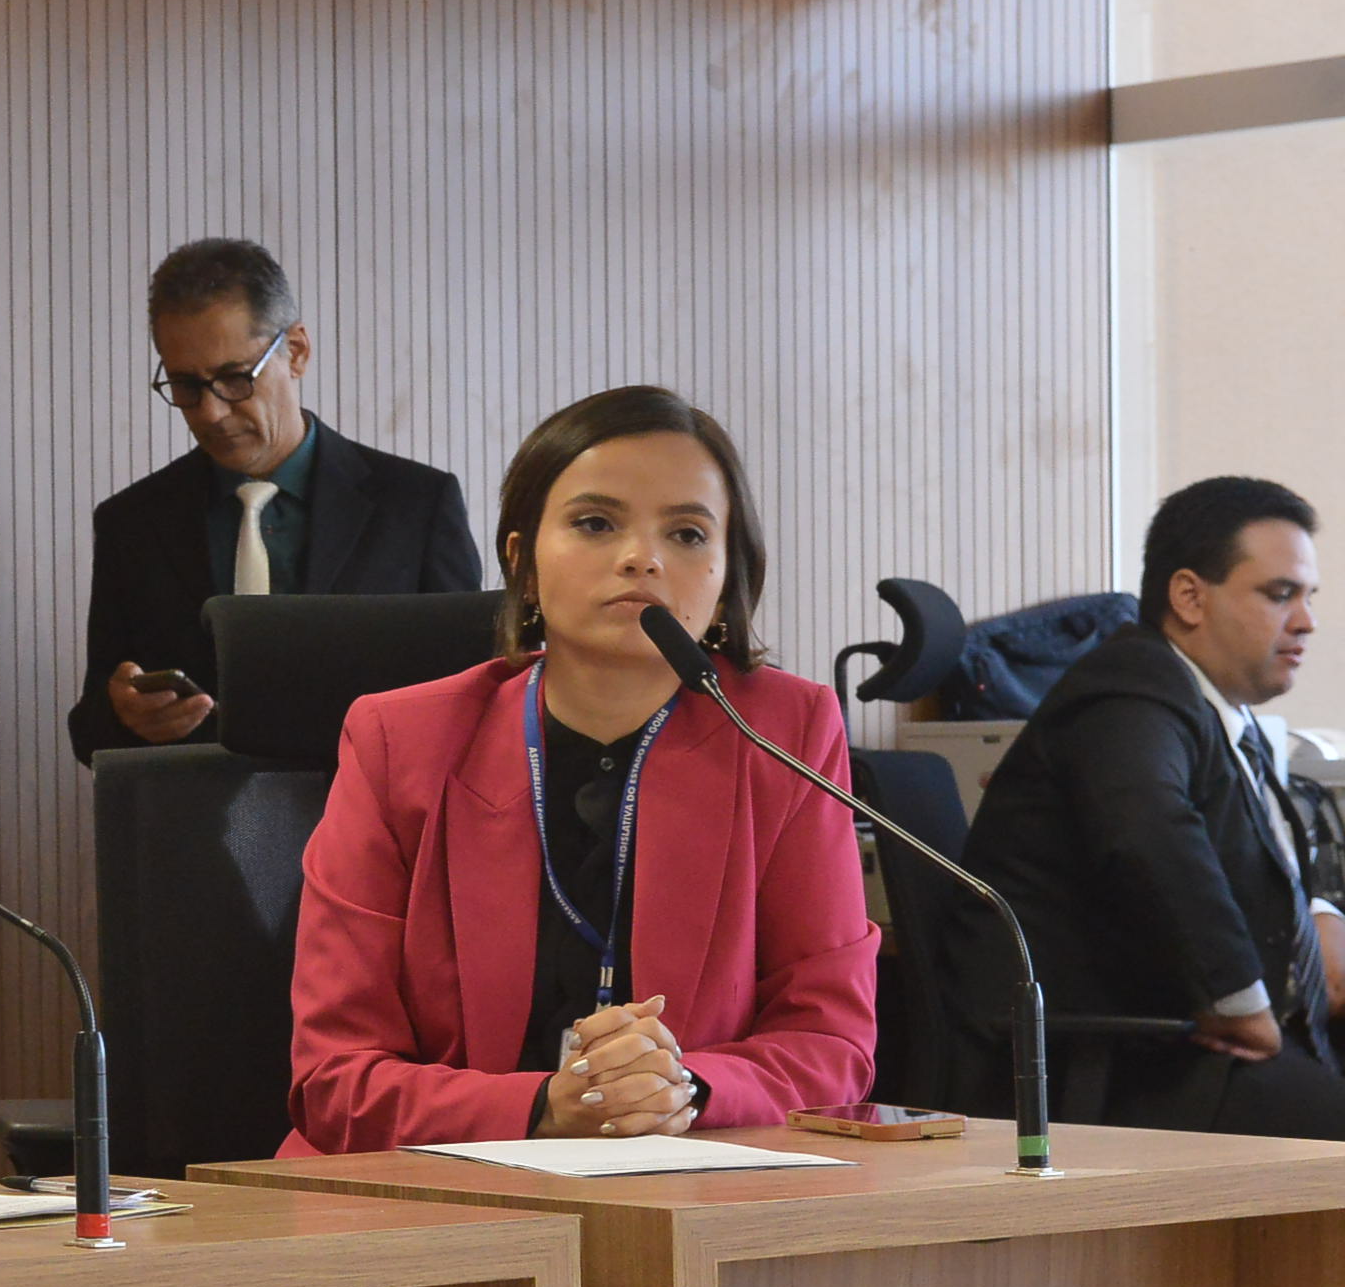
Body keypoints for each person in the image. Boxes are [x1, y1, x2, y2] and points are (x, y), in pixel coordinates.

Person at [287, 385, 876, 1153]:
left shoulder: (784, 734)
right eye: (596, 523)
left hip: (699, 1186)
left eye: (687, 533)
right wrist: (543, 1108)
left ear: (727, 575)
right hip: (438, 1193)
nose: (643, 558)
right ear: (522, 561)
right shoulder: (400, 741)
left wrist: (685, 1091)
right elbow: (334, 1079)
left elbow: (832, 1046)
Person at [954, 477, 1345, 1137]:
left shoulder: (1214, 711)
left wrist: (1318, 914)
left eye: (1308, 596)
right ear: (1189, 596)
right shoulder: (1130, 689)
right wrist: (1236, 1000)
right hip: (1131, 1073)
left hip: (1211, 1051)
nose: (1306, 620)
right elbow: (1149, 834)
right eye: (1280, 594)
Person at [70, 237, 481, 759]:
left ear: (297, 351)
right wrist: (126, 717)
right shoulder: (132, 523)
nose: (211, 412)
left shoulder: (417, 505)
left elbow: (475, 705)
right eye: (185, 385)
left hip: (377, 806)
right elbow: (90, 731)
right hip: (196, 809)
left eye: (234, 378)